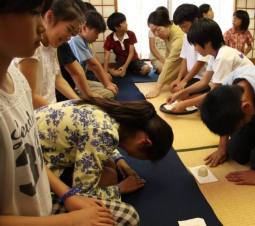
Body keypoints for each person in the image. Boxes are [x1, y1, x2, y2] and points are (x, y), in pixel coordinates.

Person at [0, 0, 117, 225]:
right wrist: (71, 219)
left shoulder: (18, 80)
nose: (42, 26)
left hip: (42, 195)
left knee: (109, 167)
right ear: (50, 16)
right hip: (47, 117)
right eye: (35, 13)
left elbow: (58, 78)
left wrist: (80, 104)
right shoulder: (29, 56)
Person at [36, 98, 174, 205]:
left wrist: (120, 161)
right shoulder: (105, 134)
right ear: (145, 142)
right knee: (109, 176)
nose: (134, 157)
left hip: (37, 142)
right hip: (36, 163)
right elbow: (82, 194)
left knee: (110, 164)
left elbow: (93, 141)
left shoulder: (112, 112)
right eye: (144, 157)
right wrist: (120, 189)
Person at [167, 18, 253, 113]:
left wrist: (185, 104)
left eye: (196, 45)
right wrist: (180, 93)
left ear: (207, 42)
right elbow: (204, 81)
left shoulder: (223, 57)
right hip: (238, 89)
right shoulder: (214, 55)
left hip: (248, 94)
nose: (195, 49)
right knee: (197, 101)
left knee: (207, 107)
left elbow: (215, 92)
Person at [15, 0, 85, 109]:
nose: (69, 38)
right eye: (69, 30)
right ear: (49, 17)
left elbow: (57, 77)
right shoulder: (31, 47)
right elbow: (30, 96)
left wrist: (78, 102)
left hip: (51, 107)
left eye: (72, 34)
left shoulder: (52, 44)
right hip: (37, 113)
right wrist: (60, 112)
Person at [68, 10, 119, 99]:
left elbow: (94, 63)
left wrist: (107, 83)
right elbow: (93, 65)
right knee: (109, 93)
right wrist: (107, 83)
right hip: (73, 84)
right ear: (84, 28)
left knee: (110, 86)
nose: (97, 36)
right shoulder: (76, 39)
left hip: (80, 79)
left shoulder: (85, 41)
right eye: (96, 33)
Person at [170, 4, 211, 94]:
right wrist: (179, 79)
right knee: (174, 89)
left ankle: (207, 94)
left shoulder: (203, 34)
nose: (183, 30)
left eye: (184, 26)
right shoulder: (186, 35)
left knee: (182, 94)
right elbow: (184, 58)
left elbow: (201, 62)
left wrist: (184, 81)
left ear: (196, 20)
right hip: (193, 76)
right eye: (180, 27)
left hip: (205, 78)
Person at [146, 9, 184, 98]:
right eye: (153, 31)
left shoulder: (178, 38)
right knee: (172, 85)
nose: (156, 34)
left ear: (167, 24)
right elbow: (168, 56)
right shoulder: (169, 32)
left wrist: (157, 88)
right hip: (181, 64)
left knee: (175, 90)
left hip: (195, 69)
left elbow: (170, 63)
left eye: (158, 30)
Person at [104, 12, 151, 77]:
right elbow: (106, 56)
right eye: (124, 23)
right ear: (116, 27)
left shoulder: (131, 34)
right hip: (121, 61)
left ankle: (129, 69)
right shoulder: (110, 38)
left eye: (125, 21)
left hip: (134, 60)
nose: (127, 24)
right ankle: (111, 70)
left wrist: (125, 67)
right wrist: (105, 71)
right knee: (120, 74)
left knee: (147, 69)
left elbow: (131, 53)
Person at [148, 6, 168, 74]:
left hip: (168, 56)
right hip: (157, 57)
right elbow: (152, 48)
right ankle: (158, 69)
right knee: (165, 71)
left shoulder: (168, 29)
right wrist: (162, 59)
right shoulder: (152, 30)